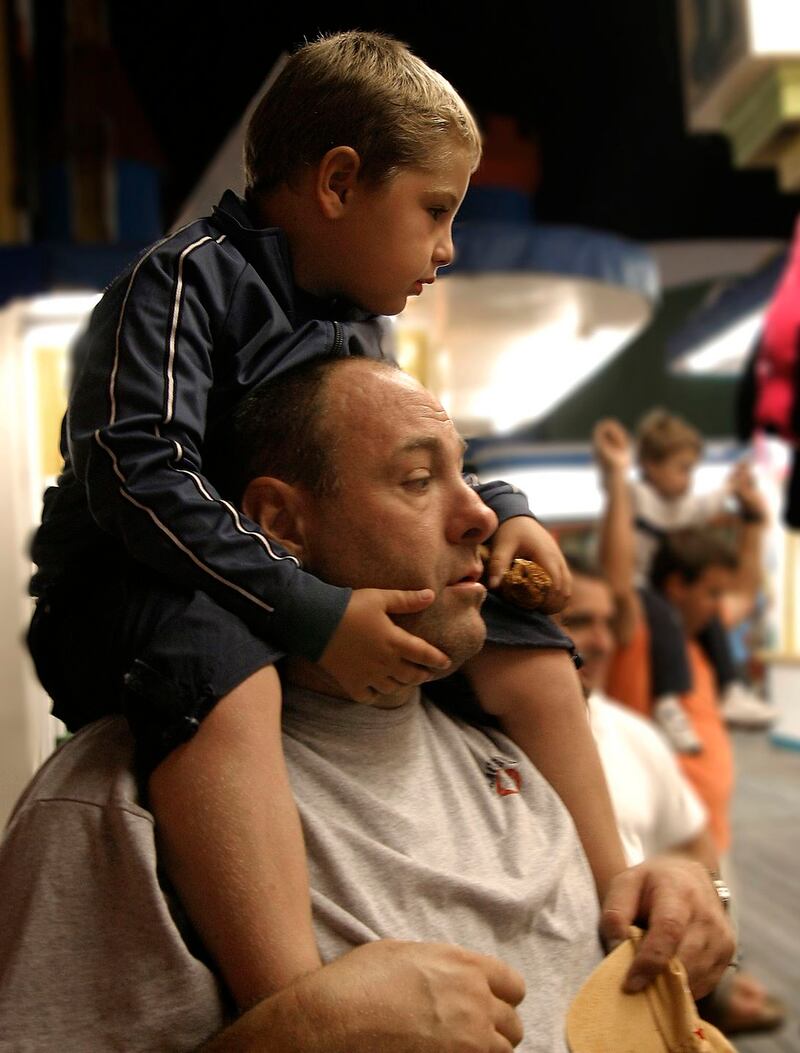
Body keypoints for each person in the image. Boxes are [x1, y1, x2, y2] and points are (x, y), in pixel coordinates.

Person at [26, 30, 638, 1007]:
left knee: (515, 621)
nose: (448, 247)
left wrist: (505, 511)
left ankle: (620, 895)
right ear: (340, 181)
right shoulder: (183, 280)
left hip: (272, 576)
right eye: (435, 210)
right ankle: (298, 995)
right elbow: (137, 473)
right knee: (219, 665)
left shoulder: (352, 321)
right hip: (133, 585)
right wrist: (308, 608)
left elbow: (411, 438)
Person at [1, 360, 736, 1052]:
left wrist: (671, 897)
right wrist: (293, 1034)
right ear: (281, 522)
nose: (480, 516)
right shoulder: (116, 803)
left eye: (465, 474)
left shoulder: (508, 739)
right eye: (418, 480)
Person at [553, 550, 785, 1037]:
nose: (602, 641)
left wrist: (715, 921)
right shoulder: (493, 747)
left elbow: (697, 848)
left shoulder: (634, 735)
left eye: (608, 622)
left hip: (646, 999)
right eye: (580, 621)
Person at [630, 409, 773, 753]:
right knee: (664, 617)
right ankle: (667, 699)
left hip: (657, 587)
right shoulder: (637, 498)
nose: (688, 480)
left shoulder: (676, 504)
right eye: (682, 469)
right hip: (639, 585)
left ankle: (731, 687)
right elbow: (688, 511)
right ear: (650, 465)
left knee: (711, 621)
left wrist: (734, 491)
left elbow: (703, 506)